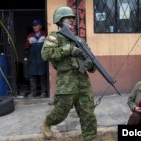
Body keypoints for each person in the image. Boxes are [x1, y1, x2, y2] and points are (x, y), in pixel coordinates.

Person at [41, 6, 97, 141]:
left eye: (73, 18)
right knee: (61, 111)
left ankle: (90, 138)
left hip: (83, 82)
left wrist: (90, 63)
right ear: (60, 20)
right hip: (66, 82)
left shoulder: (80, 40)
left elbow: (92, 63)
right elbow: (46, 54)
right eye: (68, 18)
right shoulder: (54, 37)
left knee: (88, 113)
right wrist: (68, 49)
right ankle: (47, 123)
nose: (72, 21)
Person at [25, 19, 47, 98]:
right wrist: (27, 58)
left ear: (40, 26)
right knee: (32, 77)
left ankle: (43, 92)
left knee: (42, 77)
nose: (35, 27)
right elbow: (27, 48)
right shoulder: (30, 36)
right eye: (34, 25)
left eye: (37, 25)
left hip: (41, 59)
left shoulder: (45, 35)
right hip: (33, 60)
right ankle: (33, 93)